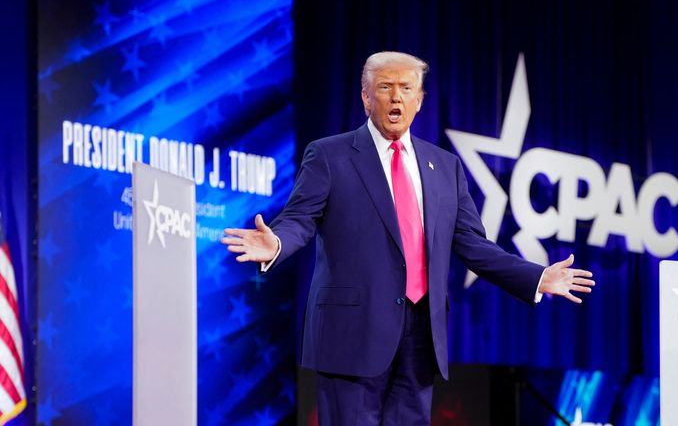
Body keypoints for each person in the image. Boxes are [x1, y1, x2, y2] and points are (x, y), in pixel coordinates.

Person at [222, 51, 595, 425]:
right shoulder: (329, 155)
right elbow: (299, 219)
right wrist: (278, 243)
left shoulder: (445, 167)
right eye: (385, 87)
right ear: (366, 97)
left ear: (419, 100)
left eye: (406, 88)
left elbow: (473, 245)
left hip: (420, 339)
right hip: (352, 334)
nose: (396, 97)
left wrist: (536, 277)